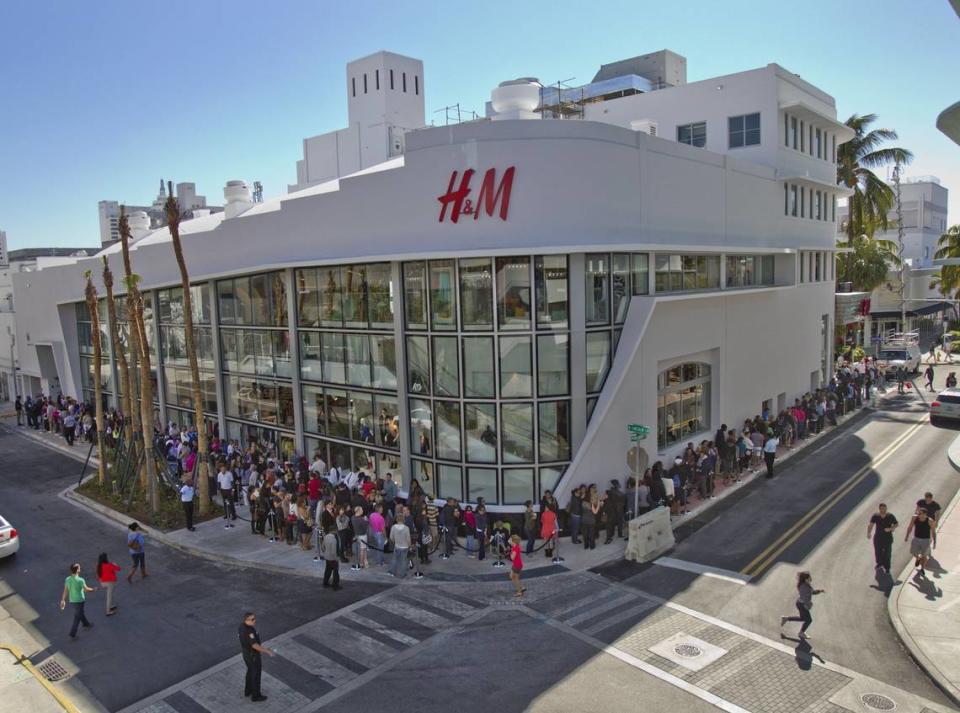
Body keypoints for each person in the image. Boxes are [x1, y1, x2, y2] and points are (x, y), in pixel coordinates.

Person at [239, 612, 275, 702]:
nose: (255, 620)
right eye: (252, 619)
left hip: (246, 654)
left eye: (254, 618)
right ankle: (256, 696)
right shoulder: (249, 631)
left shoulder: (241, 626)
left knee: (250, 671)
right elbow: (254, 645)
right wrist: (267, 651)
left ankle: (248, 690)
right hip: (253, 655)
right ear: (246, 620)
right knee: (256, 674)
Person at [780, 571, 823, 640]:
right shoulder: (804, 587)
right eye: (809, 577)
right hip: (801, 605)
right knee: (809, 620)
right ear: (806, 579)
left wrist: (819, 591)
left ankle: (786, 618)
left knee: (803, 618)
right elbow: (804, 596)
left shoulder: (805, 585)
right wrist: (808, 604)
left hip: (800, 604)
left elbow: (812, 592)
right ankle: (801, 633)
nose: (811, 578)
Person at [61, 563, 96, 640]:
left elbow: (65, 591)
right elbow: (86, 590)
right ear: (77, 570)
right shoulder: (80, 580)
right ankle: (72, 635)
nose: (80, 568)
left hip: (72, 600)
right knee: (77, 617)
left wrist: (63, 600)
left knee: (80, 613)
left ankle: (86, 624)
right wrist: (93, 589)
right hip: (80, 600)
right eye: (79, 568)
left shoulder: (67, 579)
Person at [866, 503, 898, 574]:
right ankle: (879, 564)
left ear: (886, 509)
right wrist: (869, 533)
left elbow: (896, 524)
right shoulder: (875, 516)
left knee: (887, 554)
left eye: (885, 508)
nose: (883, 510)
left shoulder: (890, 516)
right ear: (879, 509)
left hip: (887, 538)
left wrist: (890, 529)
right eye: (882, 509)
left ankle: (887, 568)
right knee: (878, 552)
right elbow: (871, 525)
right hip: (878, 538)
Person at [905, 508, 937, 578]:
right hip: (916, 538)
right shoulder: (914, 518)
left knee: (924, 555)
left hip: (926, 540)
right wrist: (907, 536)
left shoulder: (930, 521)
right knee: (912, 551)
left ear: (925, 514)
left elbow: (933, 532)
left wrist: (934, 542)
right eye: (919, 513)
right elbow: (910, 527)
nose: (919, 515)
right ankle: (918, 558)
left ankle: (922, 569)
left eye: (921, 514)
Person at [218, 463, 237, 528]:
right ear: (220, 469)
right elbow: (219, 483)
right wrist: (219, 490)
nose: (223, 470)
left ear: (225, 468)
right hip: (223, 490)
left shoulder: (229, 474)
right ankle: (227, 514)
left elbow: (232, 482)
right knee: (225, 503)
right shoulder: (219, 474)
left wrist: (233, 490)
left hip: (229, 490)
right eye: (221, 469)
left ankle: (234, 515)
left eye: (224, 468)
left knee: (231, 503)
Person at [508, 534, 524, 598]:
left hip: (517, 565)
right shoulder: (516, 546)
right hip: (517, 564)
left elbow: (512, 558)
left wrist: (510, 552)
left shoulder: (514, 549)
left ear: (513, 541)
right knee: (511, 576)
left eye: (510, 540)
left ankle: (519, 591)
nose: (508, 541)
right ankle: (521, 587)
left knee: (515, 578)